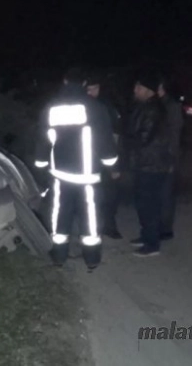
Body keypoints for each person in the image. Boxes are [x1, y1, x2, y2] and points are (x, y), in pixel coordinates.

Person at [34, 67, 119, 269]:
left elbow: (42, 141)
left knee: (59, 214)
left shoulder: (51, 107)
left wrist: (40, 167)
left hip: (60, 175)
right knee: (90, 217)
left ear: (64, 81)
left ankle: (59, 256)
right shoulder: (95, 108)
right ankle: (91, 259)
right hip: (88, 177)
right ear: (84, 84)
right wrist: (112, 166)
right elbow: (106, 141)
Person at [126, 71, 172, 257]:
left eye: (139, 87)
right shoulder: (146, 106)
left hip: (151, 165)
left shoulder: (152, 109)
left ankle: (152, 244)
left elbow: (143, 136)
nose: (135, 90)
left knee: (148, 204)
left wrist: (126, 144)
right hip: (147, 163)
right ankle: (147, 236)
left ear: (148, 90)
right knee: (144, 203)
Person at [85, 72, 122, 239]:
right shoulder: (80, 106)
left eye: (95, 89)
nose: (91, 93)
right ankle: (91, 227)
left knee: (109, 194)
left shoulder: (106, 107)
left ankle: (108, 225)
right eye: (88, 89)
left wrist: (114, 165)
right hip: (84, 159)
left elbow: (114, 136)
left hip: (103, 158)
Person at [157, 75, 184, 241]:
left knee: (166, 195)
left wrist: (171, 157)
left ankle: (165, 230)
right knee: (159, 194)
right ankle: (159, 228)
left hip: (167, 157)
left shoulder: (171, 106)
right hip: (160, 156)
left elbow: (174, 134)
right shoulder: (161, 105)